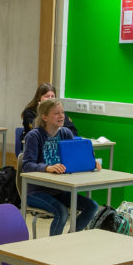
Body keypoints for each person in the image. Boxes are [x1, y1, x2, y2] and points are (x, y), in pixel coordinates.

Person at [21, 98, 99, 236]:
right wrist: (47, 168)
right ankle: (53, 246)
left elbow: (74, 159)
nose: (61, 116)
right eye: (56, 113)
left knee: (92, 207)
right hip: (35, 192)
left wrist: (90, 164)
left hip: (59, 190)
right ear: (44, 117)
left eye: (62, 112)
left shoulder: (65, 133)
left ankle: (69, 238)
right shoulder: (34, 136)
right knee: (62, 212)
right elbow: (26, 165)